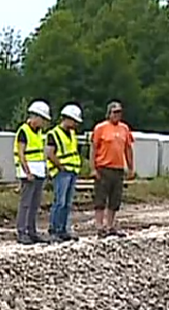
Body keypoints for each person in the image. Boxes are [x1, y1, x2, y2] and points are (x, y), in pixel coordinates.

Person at [90, 100, 134, 238]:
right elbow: (93, 148)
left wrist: (131, 167)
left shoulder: (124, 129)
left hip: (118, 168)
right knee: (100, 198)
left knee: (115, 199)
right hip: (103, 167)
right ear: (109, 113)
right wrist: (93, 168)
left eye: (119, 112)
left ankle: (110, 226)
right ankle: (99, 226)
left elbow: (128, 148)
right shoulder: (100, 128)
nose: (117, 115)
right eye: (115, 112)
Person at [14, 100, 51, 244]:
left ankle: (31, 231)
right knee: (26, 203)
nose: (44, 123)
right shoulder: (23, 131)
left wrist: (44, 168)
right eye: (43, 119)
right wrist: (27, 172)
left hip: (39, 171)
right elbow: (21, 153)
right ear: (36, 117)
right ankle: (22, 231)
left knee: (35, 204)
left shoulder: (39, 133)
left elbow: (40, 152)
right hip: (29, 173)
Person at [45, 103, 83, 241]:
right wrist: (60, 166)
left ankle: (63, 229)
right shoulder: (53, 134)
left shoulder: (72, 134)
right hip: (62, 172)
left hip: (72, 170)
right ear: (67, 118)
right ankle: (54, 229)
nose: (76, 125)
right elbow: (49, 153)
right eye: (75, 121)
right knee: (59, 202)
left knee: (67, 202)